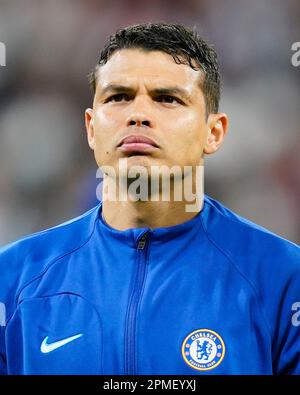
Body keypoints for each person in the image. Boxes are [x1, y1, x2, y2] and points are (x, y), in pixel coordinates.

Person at [0, 22, 299, 375]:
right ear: (91, 128)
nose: (138, 114)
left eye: (167, 99)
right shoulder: (14, 278)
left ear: (213, 132)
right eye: (119, 97)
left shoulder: (283, 277)